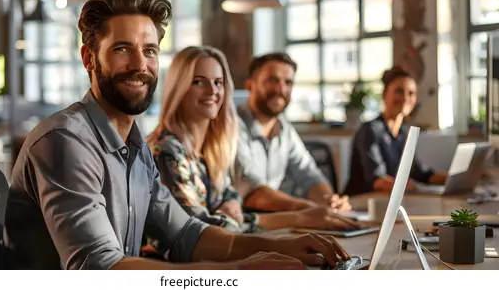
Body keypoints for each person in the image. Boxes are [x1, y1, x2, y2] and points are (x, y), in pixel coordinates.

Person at [2, 0, 349, 270]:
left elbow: (184, 234)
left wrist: (281, 247)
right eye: (122, 49)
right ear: (89, 58)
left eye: (150, 51)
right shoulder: (66, 141)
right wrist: (237, 273)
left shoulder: (136, 149)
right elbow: (99, 268)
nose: (140, 65)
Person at [147, 46, 359, 235]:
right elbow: (203, 231)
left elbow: (308, 175)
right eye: (198, 82)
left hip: (232, 243)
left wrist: (329, 204)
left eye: (218, 82)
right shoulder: (169, 149)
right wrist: (304, 214)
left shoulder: (212, 147)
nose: (212, 91)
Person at [233, 53, 352, 213]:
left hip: (276, 221)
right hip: (242, 222)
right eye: (272, 80)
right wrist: (307, 208)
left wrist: (329, 201)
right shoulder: (232, 126)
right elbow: (253, 191)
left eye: (288, 82)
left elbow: (308, 173)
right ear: (249, 85)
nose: (281, 89)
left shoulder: (284, 129)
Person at [345, 67, 448, 196]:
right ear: (384, 95)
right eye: (399, 91)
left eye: (411, 93)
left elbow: (420, 173)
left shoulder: (403, 133)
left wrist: (456, 178)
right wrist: (417, 188)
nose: (405, 98)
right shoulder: (370, 130)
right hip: (362, 204)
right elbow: (378, 180)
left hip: (388, 202)